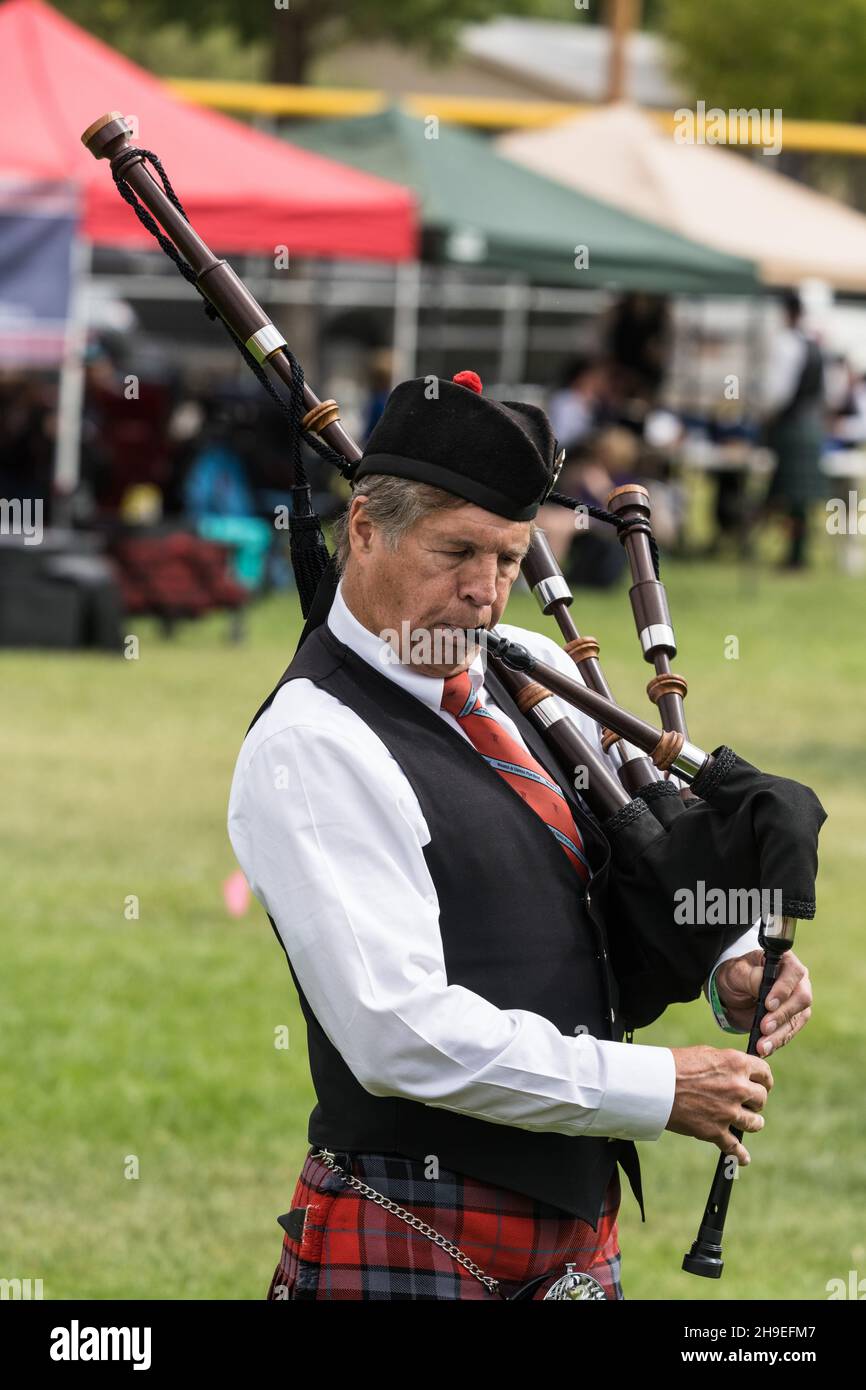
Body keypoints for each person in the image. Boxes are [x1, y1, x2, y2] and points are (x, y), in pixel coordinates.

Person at [227, 370, 813, 1301]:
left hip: (570, 1234)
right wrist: (654, 1087)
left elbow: (656, 827)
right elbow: (397, 1032)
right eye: (457, 552)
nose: (485, 592)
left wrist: (729, 952)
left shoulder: (528, 668)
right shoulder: (314, 743)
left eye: (506, 558)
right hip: (412, 1222)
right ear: (365, 530)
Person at [762, 290, 826, 569]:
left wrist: (766, 417)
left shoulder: (786, 344)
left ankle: (792, 554)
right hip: (812, 426)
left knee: (785, 497)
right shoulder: (816, 346)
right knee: (797, 500)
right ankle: (796, 552)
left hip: (791, 427)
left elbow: (778, 393)